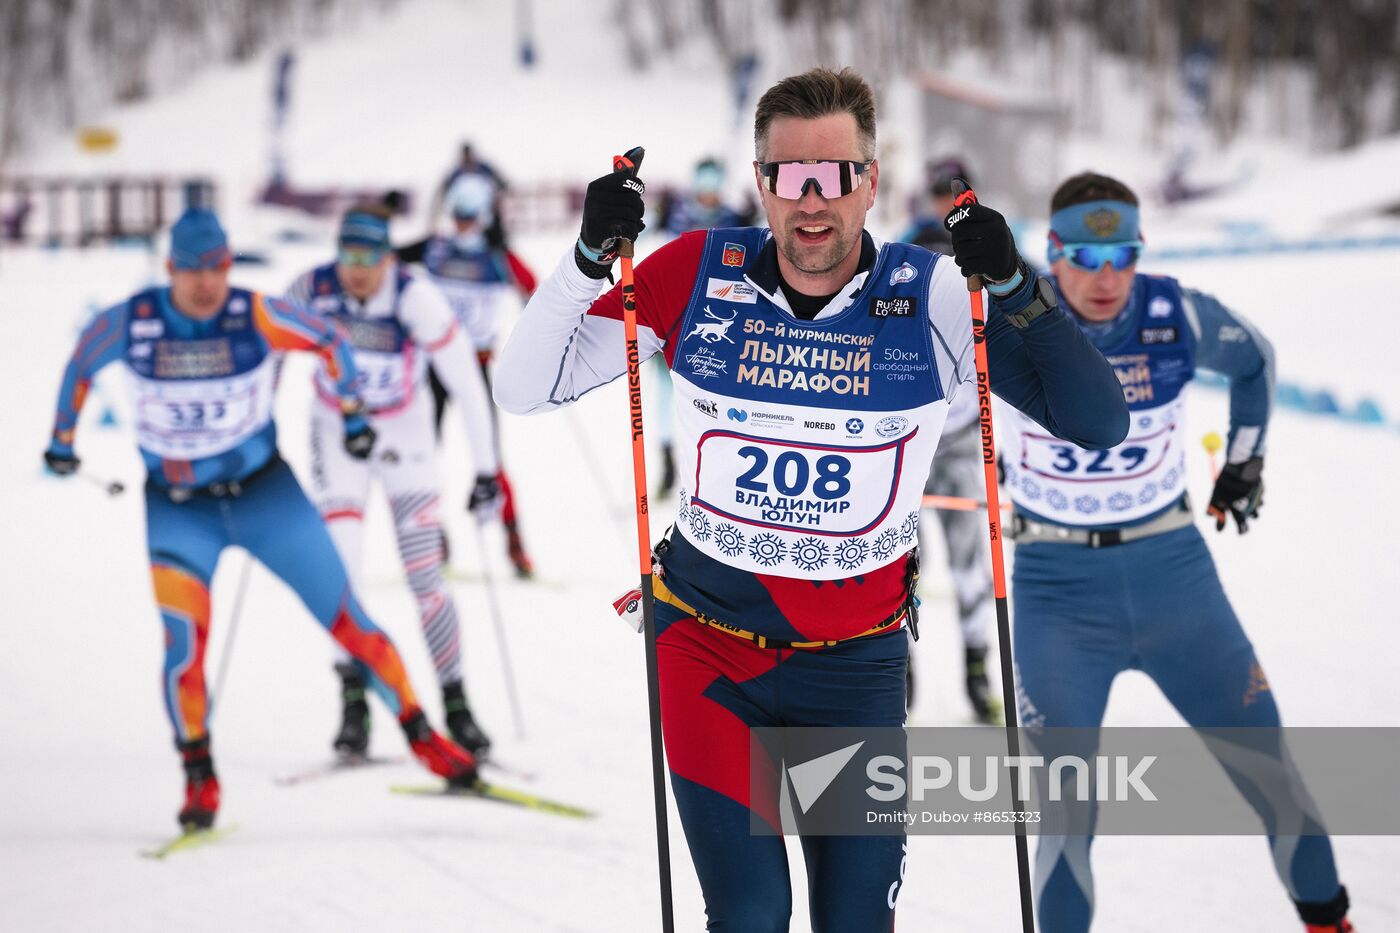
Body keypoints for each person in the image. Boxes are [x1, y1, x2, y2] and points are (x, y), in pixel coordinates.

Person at [494, 67, 1128, 931]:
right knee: (752, 914)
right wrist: (580, 264)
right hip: (709, 652)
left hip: (855, 668)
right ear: (762, 181)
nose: (812, 200)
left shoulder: (934, 297)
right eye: (790, 176)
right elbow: (525, 386)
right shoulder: (695, 273)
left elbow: (1096, 421)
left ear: (870, 180)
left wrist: (1018, 291)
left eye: (835, 175)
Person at [43, 208, 477, 830]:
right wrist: (63, 438)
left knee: (351, 620)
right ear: (170, 269)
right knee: (182, 647)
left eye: (217, 268)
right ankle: (199, 777)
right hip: (178, 510)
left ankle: (423, 738)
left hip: (266, 498)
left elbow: (331, 340)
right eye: (191, 271)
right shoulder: (134, 321)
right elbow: (83, 358)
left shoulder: (256, 313)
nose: (205, 284)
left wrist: (353, 415)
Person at [1004, 172, 1354, 933]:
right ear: (1051, 252)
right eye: (1086, 257)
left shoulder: (1171, 312)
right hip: (1055, 594)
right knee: (1065, 814)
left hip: (1174, 579)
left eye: (1122, 254)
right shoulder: (1008, 316)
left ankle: (1331, 920)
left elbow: (1256, 358)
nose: (1106, 277)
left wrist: (1245, 463)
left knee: (1272, 773)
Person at [286, 203, 501, 758]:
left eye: (370, 256)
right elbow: (268, 353)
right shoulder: (312, 289)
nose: (357, 269)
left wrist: (486, 469)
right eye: (348, 255)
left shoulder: (414, 296)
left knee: (426, 575)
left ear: (388, 255)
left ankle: (456, 702)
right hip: (336, 432)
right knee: (342, 566)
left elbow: (467, 383)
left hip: (405, 434)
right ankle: (354, 701)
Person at [899, 156, 999, 723]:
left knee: (969, 560)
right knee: (901, 560)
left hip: (963, 436)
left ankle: (978, 667)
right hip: (910, 436)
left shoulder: (992, 240)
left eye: (954, 192)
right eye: (938, 191)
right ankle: (898, 667)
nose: (945, 202)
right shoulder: (910, 243)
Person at [397, 177, 539, 577]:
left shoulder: (498, 256)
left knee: (489, 457)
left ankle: (515, 544)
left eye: (468, 218)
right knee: (424, 452)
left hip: (476, 365)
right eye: (456, 216)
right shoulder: (434, 247)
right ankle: (433, 542)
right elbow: (386, 259)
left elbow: (536, 290)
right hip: (433, 366)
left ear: (484, 217)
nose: (460, 225)